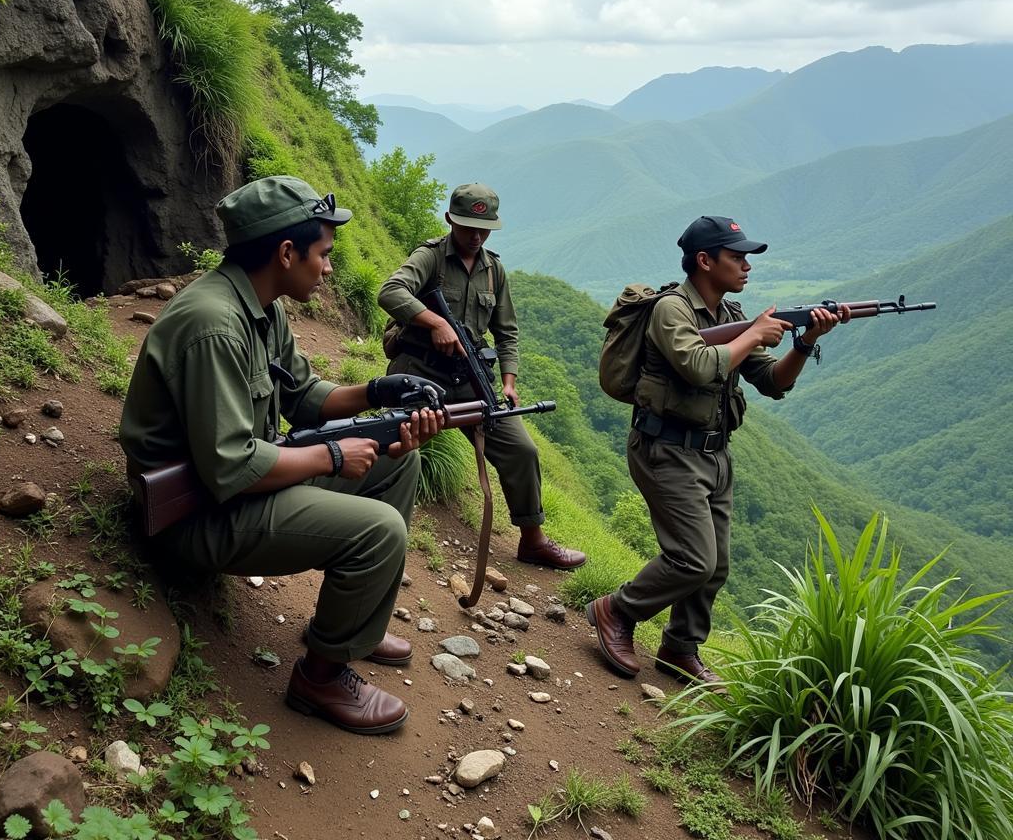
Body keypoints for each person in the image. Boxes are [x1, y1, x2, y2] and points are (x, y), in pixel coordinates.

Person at [120, 175, 445, 735]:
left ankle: (353, 629)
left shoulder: (262, 306)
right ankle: (320, 676)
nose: (329, 268)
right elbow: (231, 468)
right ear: (287, 252)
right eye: (324, 254)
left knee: (399, 459)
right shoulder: (214, 326)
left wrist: (378, 393)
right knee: (380, 530)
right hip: (196, 514)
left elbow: (304, 397)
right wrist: (333, 458)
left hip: (237, 483)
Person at [587, 216, 848, 684]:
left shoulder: (730, 318)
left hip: (714, 453)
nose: (747, 266)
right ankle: (615, 610)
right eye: (737, 257)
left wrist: (805, 340)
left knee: (715, 566)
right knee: (692, 559)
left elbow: (772, 382)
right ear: (704, 261)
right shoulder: (672, 310)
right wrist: (754, 336)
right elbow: (697, 367)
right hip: (665, 449)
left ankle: (679, 648)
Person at [377, 182, 586, 570]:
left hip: (469, 379)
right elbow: (390, 291)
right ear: (450, 221)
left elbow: (507, 331)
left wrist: (509, 381)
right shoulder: (430, 258)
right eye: (468, 227)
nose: (476, 236)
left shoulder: (495, 271)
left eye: (483, 228)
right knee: (398, 445)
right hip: (419, 374)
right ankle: (377, 531)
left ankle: (533, 540)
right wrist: (435, 321)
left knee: (522, 450)